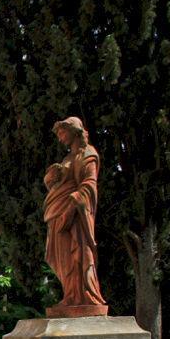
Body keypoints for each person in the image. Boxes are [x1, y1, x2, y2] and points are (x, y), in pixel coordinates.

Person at [43, 117, 107, 312]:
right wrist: (51, 180)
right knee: (64, 260)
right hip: (59, 216)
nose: (61, 138)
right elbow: (58, 186)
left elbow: (89, 185)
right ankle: (71, 296)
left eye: (63, 133)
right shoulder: (67, 159)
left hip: (75, 217)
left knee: (79, 255)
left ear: (74, 130)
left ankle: (85, 297)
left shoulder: (88, 154)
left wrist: (72, 206)